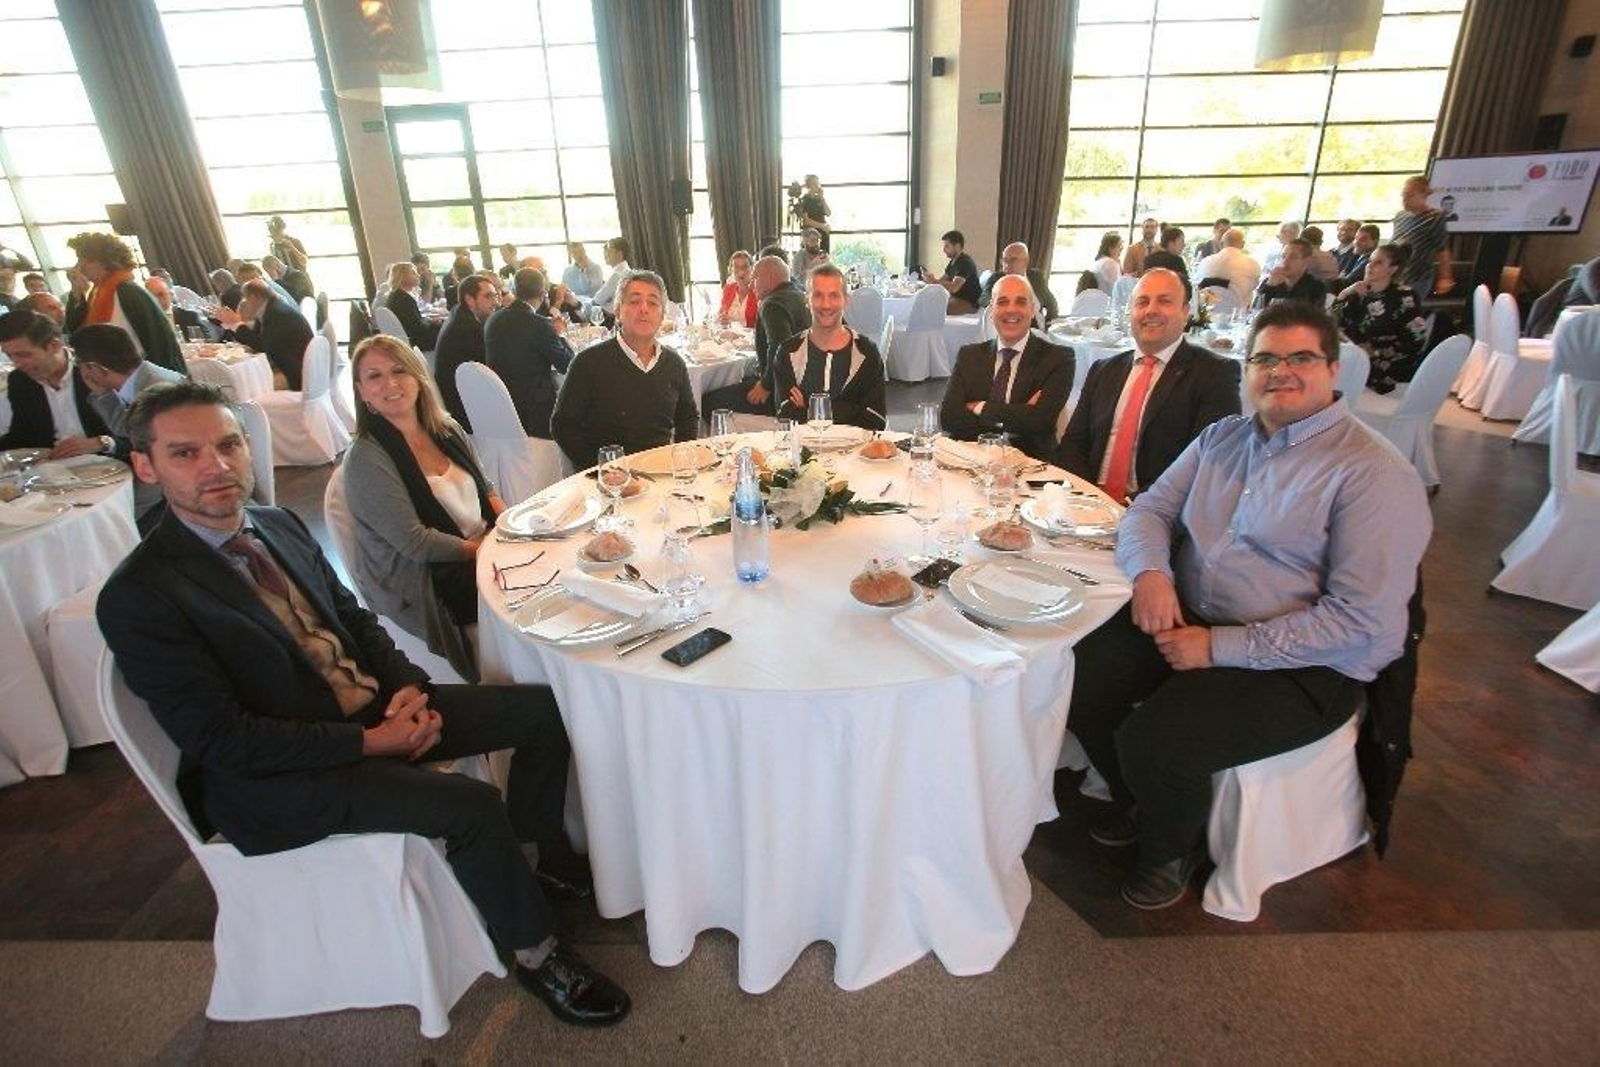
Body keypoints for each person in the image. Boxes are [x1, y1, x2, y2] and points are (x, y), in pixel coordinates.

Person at [96, 379, 631, 1026]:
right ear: (145, 466)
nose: (217, 465)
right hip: (279, 776)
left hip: (372, 710)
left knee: (546, 713)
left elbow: (356, 619)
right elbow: (227, 740)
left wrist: (406, 686)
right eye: (186, 453)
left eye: (229, 444)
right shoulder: (141, 594)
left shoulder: (273, 523)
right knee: (469, 804)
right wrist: (371, 742)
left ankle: (527, 861)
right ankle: (537, 953)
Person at [1066, 300, 1430, 910]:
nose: (1279, 371)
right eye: (1264, 357)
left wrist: (1217, 647)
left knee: (1155, 738)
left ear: (1333, 370)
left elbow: (1359, 621)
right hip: (1190, 617)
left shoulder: (1373, 475)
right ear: (1246, 369)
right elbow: (1151, 511)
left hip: (1308, 664)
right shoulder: (1220, 440)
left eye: (1299, 358)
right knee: (1073, 673)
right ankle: (1142, 800)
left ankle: (1168, 851)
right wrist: (1153, 573)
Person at [342, 335, 502, 678]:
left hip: (482, 544)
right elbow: (414, 542)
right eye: (375, 376)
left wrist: (510, 526)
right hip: (428, 575)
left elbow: (484, 485)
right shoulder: (366, 459)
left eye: (400, 370)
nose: (391, 383)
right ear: (361, 390)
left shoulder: (446, 429)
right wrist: (485, 551)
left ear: (417, 376)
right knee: (529, 588)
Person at [1056, 269, 1241, 504]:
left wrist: (1131, 506)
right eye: (1142, 302)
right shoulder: (1104, 370)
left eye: (1164, 301)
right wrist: (1087, 497)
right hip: (1089, 504)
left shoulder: (1214, 374)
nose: (1151, 310)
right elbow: (1074, 442)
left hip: (1157, 514)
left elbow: (1205, 465)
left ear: (1185, 311)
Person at [552, 271, 698, 469]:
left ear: (663, 314)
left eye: (653, 303)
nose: (644, 309)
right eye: (634, 301)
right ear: (618, 310)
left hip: (661, 473)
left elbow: (687, 418)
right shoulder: (588, 363)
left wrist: (681, 462)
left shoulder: (674, 363)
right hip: (609, 482)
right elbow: (563, 425)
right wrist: (600, 469)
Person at [940, 274, 1073, 461]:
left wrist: (979, 407)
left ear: (1033, 310)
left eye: (1020, 302)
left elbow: (1041, 421)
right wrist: (1022, 413)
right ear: (991, 311)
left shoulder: (1058, 359)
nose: (1011, 309)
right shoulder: (969, 356)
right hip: (969, 460)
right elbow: (949, 417)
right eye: (1002, 302)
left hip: (1031, 466)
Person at [73, 322, 186, 524]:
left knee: (112, 519)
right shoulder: (145, 377)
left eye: (79, 363)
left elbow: (130, 431)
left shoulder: (156, 389)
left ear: (94, 368)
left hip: (172, 486)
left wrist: (102, 394)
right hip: (166, 470)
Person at [771, 264, 886, 431]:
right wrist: (851, 410)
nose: (826, 305)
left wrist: (810, 407)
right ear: (807, 300)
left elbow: (876, 420)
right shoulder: (788, 352)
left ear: (845, 300)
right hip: (804, 453)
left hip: (856, 454)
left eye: (834, 296)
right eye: (818, 295)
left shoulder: (867, 353)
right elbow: (785, 417)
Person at [65, 231, 185, 375]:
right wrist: (77, 294)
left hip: (144, 378)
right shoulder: (95, 294)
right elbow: (75, 333)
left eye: (86, 260)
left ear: (106, 261)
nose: (80, 267)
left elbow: (159, 343)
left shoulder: (129, 292)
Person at [0, 308, 116, 456]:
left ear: (55, 345)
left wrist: (102, 442)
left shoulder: (97, 370)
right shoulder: (20, 380)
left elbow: (139, 432)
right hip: (52, 468)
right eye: (10, 356)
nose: (17, 364)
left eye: (23, 355)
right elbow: (21, 435)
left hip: (110, 465)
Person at [702, 255, 808, 416]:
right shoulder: (802, 297)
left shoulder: (772, 304)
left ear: (769, 278)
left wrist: (765, 385)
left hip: (780, 394)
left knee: (708, 403)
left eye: (754, 278)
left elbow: (779, 346)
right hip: (801, 388)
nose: (751, 285)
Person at [485, 268, 574, 439]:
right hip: (534, 409)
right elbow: (568, 365)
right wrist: (560, 334)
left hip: (500, 403)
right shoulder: (539, 325)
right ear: (543, 293)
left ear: (515, 291)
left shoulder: (494, 319)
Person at [1333, 242, 1429, 394]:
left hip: (1386, 365)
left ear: (1393, 269)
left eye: (1378, 262)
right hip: (1353, 356)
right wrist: (1344, 294)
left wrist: (1376, 353)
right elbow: (1332, 321)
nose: (1369, 266)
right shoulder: (1359, 293)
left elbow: (1416, 339)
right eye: (1369, 261)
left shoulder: (1404, 296)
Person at [216, 279, 314, 390]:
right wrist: (235, 323)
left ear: (253, 297)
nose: (243, 302)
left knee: (246, 386)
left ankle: (259, 406)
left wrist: (236, 324)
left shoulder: (278, 314)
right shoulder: (271, 308)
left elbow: (262, 345)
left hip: (295, 374)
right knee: (248, 379)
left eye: (245, 298)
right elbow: (259, 337)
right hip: (290, 364)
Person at [433, 273, 500, 431]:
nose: (496, 302)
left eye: (496, 296)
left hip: (455, 395)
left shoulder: (458, 313)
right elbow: (489, 370)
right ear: (469, 299)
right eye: (488, 296)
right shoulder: (470, 329)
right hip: (464, 407)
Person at [1392, 174, 1453, 298]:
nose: (1404, 198)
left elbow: (1442, 250)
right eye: (1403, 194)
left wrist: (1445, 277)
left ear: (1423, 195)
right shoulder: (1400, 216)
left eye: (1409, 195)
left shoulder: (1435, 217)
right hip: (1395, 276)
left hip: (1418, 278)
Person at [978, 242, 1059, 321]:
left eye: (1013, 260)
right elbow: (983, 298)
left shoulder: (1036, 276)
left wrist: (1049, 321)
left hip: (1037, 325)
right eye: (1004, 260)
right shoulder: (997, 278)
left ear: (1025, 262)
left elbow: (1051, 302)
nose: (1007, 265)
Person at [1194, 227, 1261, 308]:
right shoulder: (1252, 264)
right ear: (1243, 244)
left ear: (1221, 244)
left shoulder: (1205, 262)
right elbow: (1255, 288)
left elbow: (1198, 287)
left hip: (1207, 314)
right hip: (1238, 314)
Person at [383, 261, 441, 351]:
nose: (418, 275)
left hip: (410, 338)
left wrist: (429, 322)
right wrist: (432, 323)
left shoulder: (397, 295)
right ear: (402, 277)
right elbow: (419, 328)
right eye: (413, 273)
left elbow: (414, 322)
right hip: (417, 341)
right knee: (448, 332)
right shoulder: (404, 299)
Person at [1254, 238, 1327, 308]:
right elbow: (1255, 310)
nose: (1285, 261)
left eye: (1292, 257)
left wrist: (1280, 287)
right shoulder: (1271, 281)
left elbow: (1291, 314)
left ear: (1306, 261)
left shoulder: (1317, 288)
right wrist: (1268, 286)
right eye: (1283, 256)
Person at [935, 230, 982, 313]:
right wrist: (928, 283)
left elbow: (954, 287)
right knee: (930, 302)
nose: (944, 250)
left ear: (957, 246)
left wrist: (934, 282)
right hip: (955, 298)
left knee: (937, 307)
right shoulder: (953, 262)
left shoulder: (965, 263)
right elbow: (942, 280)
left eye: (947, 246)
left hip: (969, 302)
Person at [588, 237, 633, 315]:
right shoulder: (626, 270)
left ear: (619, 254)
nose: (605, 254)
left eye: (609, 250)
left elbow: (597, 300)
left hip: (610, 318)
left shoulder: (617, 275)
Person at [1143, 227, 1189, 297]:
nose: (1184, 245)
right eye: (1181, 241)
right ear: (1171, 243)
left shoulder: (1148, 259)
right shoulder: (1177, 260)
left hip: (1150, 296)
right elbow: (1186, 286)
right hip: (1171, 298)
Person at [1332, 223, 1380, 290]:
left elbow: (1346, 283)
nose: (1357, 242)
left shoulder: (1369, 261)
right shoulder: (1356, 256)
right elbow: (1342, 273)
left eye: (1363, 239)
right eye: (1356, 238)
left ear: (1374, 241)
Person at [718, 250, 758, 327]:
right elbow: (722, 313)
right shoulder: (728, 289)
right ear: (731, 270)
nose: (741, 271)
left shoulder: (758, 291)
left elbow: (760, 324)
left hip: (751, 337)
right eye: (736, 267)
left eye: (745, 267)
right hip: (729, 336)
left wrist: (733, 325)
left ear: (752, 269)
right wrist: (722, 319)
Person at [796, 174, 831, 252]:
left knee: (823, 258)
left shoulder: (819, 199)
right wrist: (822, 226)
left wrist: (822, 199)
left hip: (823, 233)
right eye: (814, 184)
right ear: (808, 186)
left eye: (817, 183)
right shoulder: (804, 200)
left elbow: (828, 213)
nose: (817, 186)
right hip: (811, 234)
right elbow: (806, 221)